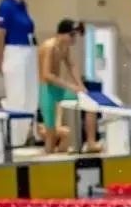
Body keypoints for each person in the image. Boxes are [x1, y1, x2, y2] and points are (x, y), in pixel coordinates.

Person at [38, 19, 97, 154]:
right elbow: (47, 75)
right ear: (61, 34)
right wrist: (71, 85)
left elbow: (71, 65)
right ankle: (47, 163)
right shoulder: (49, 47)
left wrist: (81, 87)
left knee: (90, 103)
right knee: (51, 137)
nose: (74, 38)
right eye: (72, 35)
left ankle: (91, 143)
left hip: (58, 89)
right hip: (46, 90)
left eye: (75, 35)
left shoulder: (64, 47)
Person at [0, 0, 37, 147]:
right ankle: (11, 140)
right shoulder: (6, 6)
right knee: (17, 98)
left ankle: (21, 139)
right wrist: (0, 60)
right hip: (14, 52)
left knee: (31, 99)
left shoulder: (23, 6)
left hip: (29, 52)